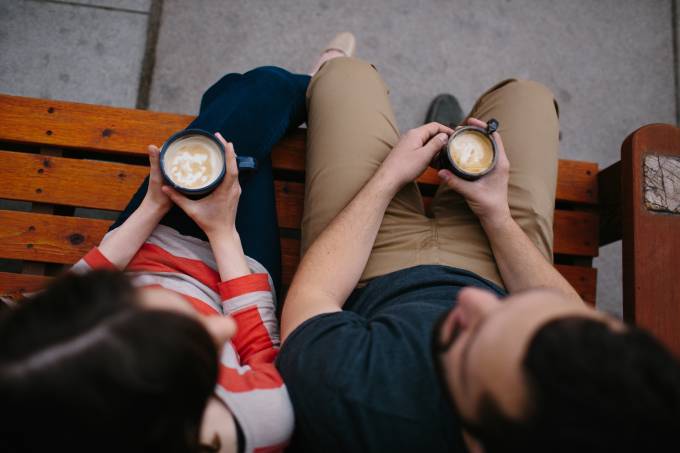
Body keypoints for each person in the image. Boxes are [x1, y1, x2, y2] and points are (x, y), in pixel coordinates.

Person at [276, 38, 680, 452]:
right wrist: (496, 214)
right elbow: (567, 311)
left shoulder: (351, 400)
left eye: (467, 340)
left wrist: (388, 178)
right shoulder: (595, 392)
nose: (469, 301)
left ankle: (335, 84)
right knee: (529, 99)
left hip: (365, 269)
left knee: (347, 77)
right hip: (497, 259)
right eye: (529, 315)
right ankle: (455, 153)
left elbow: (314, 295)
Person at [0, 33, 351, 452]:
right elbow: (257, 343)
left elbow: (87, 280)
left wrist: (152, 204)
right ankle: (322, 83)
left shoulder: (48, 372)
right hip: (234, 269)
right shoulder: (260, 423)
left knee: (226, 106)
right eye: (202, 347)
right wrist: (223, 231)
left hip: (144, 241)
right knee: (257, 90)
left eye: (121, 299)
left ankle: (283, 89)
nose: (222, 326)